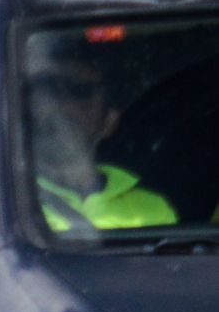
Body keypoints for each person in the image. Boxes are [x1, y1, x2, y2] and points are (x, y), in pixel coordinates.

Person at [28, 59, 177, 233]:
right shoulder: (7, 202)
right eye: (50, 88)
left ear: (109, 122)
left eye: (79, 91)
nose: (61, 106)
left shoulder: (151, 209)